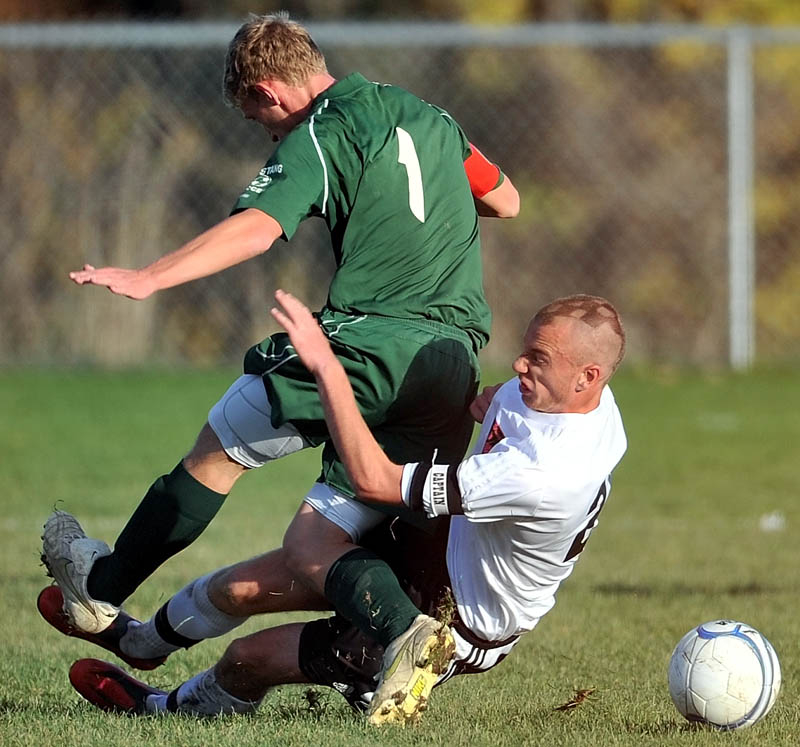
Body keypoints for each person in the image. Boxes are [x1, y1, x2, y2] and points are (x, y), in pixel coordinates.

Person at [41, 12, 519, 725]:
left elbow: (259, 224)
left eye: (261, 123)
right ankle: (400, 636)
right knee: (325, 539)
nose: (270, 139)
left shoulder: (323, 130)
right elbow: (506, 197)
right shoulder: (430, 116)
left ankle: (101, 585)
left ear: (268, 91)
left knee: (216, 452)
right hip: (449, 362)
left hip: (366, 346)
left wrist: (151, 275)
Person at [51, 291, 627, 724]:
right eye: (526, 350)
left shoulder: (545, 473)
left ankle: (159, 712)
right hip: (439, 547)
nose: (521, 366)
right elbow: (490, 405)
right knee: (240, 587)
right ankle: (138, 643)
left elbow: (375, 482)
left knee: (247, 660)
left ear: (588, 376)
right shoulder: (579, 400)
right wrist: (482, 401)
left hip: (460, 620)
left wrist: (329, 370)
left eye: (538, 358)